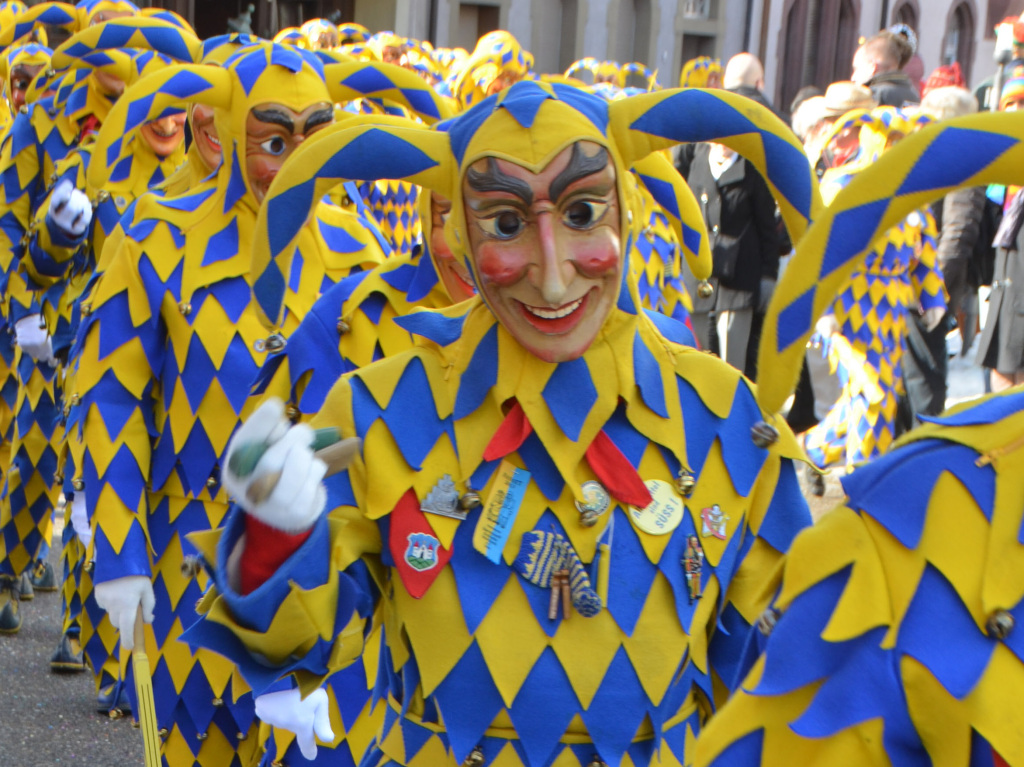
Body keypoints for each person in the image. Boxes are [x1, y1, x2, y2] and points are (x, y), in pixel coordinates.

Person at [182, 80, 818, 767]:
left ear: (622, 216)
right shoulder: (382, 409)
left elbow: (781, 667)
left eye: (581, 212)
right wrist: (276, 531)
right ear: (461, 228)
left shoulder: (720, 416)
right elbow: (300, 636)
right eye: (507, 225)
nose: (551, 278)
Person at [71, 44, 447, 765]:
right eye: (277, 142)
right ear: (232, 129)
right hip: (191, 564)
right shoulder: (155, 238)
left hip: (319, 576)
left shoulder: (357, 251)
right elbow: (114, 394)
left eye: (319, 138)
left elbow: (379, 423)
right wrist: (119, 549)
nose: (302, 165)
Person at [693, 111, 1024, 767]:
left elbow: (906, 252)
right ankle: (819, 460)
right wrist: (834, 317)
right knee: (871, 406)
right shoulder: (850, 178)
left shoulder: (856, 177)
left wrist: (924, 304)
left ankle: (814, 454)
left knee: (873, 406)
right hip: (859, 319)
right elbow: (828, 238)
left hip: (871, 317)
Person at [685, 140, 780, 370]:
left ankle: (731, 405)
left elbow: (768, 229)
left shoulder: (752, 169)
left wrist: (768, 276)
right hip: (700, 274)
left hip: (739, 280)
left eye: (728, 138)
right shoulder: (697, 161)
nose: (721, 144)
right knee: (699, 356)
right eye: (716, 138)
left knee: (731, 361)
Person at [976, 75, 1024, 391]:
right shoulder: (997, 164)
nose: (1017, 110)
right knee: (1000, 367)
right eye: (1011, 104)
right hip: (1004, 282)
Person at [851, 30, 920, 108]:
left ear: (872, 67)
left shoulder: (871, 95)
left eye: (856, 69)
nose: (853, 77)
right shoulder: (913, 95)